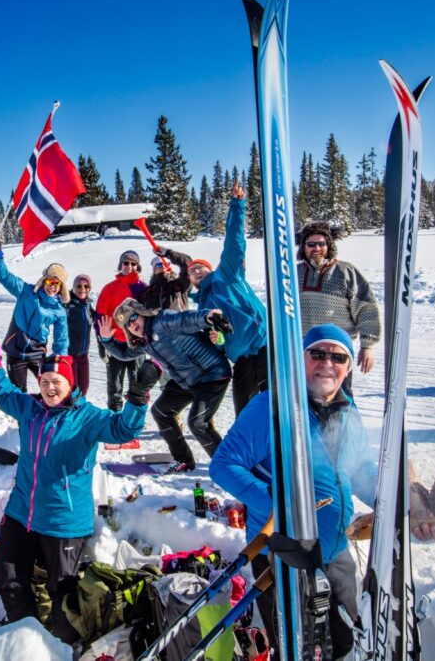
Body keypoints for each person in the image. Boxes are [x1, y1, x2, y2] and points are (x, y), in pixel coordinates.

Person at [210, 324, 380, 661]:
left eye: (338, 356)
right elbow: (224, 464)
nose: (327, 363)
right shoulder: (272, 407)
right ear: (300, 359)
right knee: (297, 649)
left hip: (335, 549)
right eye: (317, 353)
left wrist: (397, 501)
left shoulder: (348, 412)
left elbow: (361, 472)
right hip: (282, 552)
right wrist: (279, 504)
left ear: (348, 366)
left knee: (346, 643)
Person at [0, 328, 160, 645]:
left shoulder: (86, 417)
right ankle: (25, 639)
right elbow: (5, 394)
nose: (50, 388)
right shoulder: (30, 408)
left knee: (62, 595)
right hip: (21, 513)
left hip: (63, 522)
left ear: (70, 383)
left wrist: (136, 397)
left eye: (56, 382)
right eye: (45, 381)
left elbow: (123, 428)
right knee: (7, 579)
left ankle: (61, 647)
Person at [167, 179, 269, 417]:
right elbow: (220, 342)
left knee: (271, 406)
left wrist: (237, 205)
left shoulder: (227, 274)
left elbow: (234, 241)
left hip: (265, 348)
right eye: (192, 271)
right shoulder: (202, 305)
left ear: (209, 269)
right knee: (243, 412)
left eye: (200, 268)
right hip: (241, 360)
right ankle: (251, 453)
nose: (196, 272)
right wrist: (218, 339)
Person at [101, 298, 232, 473]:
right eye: (127, 325)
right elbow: (125, 354)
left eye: (133, 318)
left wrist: (208, 317)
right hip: (190, 381)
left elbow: (187, 319)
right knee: (161, 411)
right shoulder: (145, 342)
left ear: (141, 312)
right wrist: (106, 339)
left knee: (198, 423)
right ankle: (184, 460)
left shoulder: (163, 321)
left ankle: (229, 469)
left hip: (212, 373)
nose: (132, 325)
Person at [297, 221, 380, 393]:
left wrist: (367, 345)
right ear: (303, 247)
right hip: (303, 349)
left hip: (336, 349)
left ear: (329, 245)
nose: (316, 248)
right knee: (305, 400)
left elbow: (366, 308)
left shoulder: (345, 272)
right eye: (311, 244)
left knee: (338, 400)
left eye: (321, 244)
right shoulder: (293, 273)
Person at [0, 235, 69, 392]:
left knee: (49, 391)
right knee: (19, 395)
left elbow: (61, 340)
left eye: (57, 284)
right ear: (44, 280)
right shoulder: (26, 292)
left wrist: (60, 359)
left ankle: (47, 416)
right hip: (15, 353)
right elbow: (5, 277)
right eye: (50, 282)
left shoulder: (59, 311)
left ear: (61, 287)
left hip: (38, 355)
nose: (52, 287)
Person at [95, 251, 147, 411]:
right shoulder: (110, 288)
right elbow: (99, 317)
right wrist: (102, 344)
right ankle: (114, 419)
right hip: (115, 343)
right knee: (114, 386)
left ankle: (131, 422)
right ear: (120, 265)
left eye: (133, 263)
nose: (129, 266)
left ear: (138, 267)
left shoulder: (144, 288)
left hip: (136, 344)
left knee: (137, 386)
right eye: (126, 263)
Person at [64, 274, 98, 397]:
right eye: (79, 286)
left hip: (84, 355)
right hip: (70, 354)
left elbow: (97, 318)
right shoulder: (67, 304)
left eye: (86, 286)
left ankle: (79, 412)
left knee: (84, 387)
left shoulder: (88, 305)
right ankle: (70, 413)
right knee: (72, 388)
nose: (82, 289)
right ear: (73, 287)